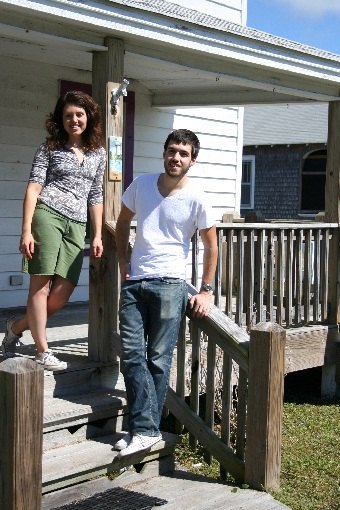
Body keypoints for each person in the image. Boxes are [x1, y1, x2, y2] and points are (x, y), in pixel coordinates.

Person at [114, 128, 218, 456]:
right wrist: (123, 260)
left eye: (183, 153)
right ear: (164, 153)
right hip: (135, 282)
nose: (176, 157)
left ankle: (143, 430)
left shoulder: (197, 197)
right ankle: (146, 430)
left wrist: (206, 290)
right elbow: (121, 222)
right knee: (131, 356)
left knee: (158, 359)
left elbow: (212, 246)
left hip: (171, 284)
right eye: (172, 151)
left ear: (193, 160)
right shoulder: (142, 184)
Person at [1, 91, 106, 370]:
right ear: (61, 119)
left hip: (77, 225)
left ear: (88, 117)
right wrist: (26, 230)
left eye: (79, 114)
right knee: (40, 285)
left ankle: (16, 326)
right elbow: (34, 188)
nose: (74, 120)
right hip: (47, 216)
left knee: (61, 294)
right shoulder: (49, 148)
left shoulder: (99, 153)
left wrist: (96, 234)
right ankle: (42, 351)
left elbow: (96, 195)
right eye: (68, 115)